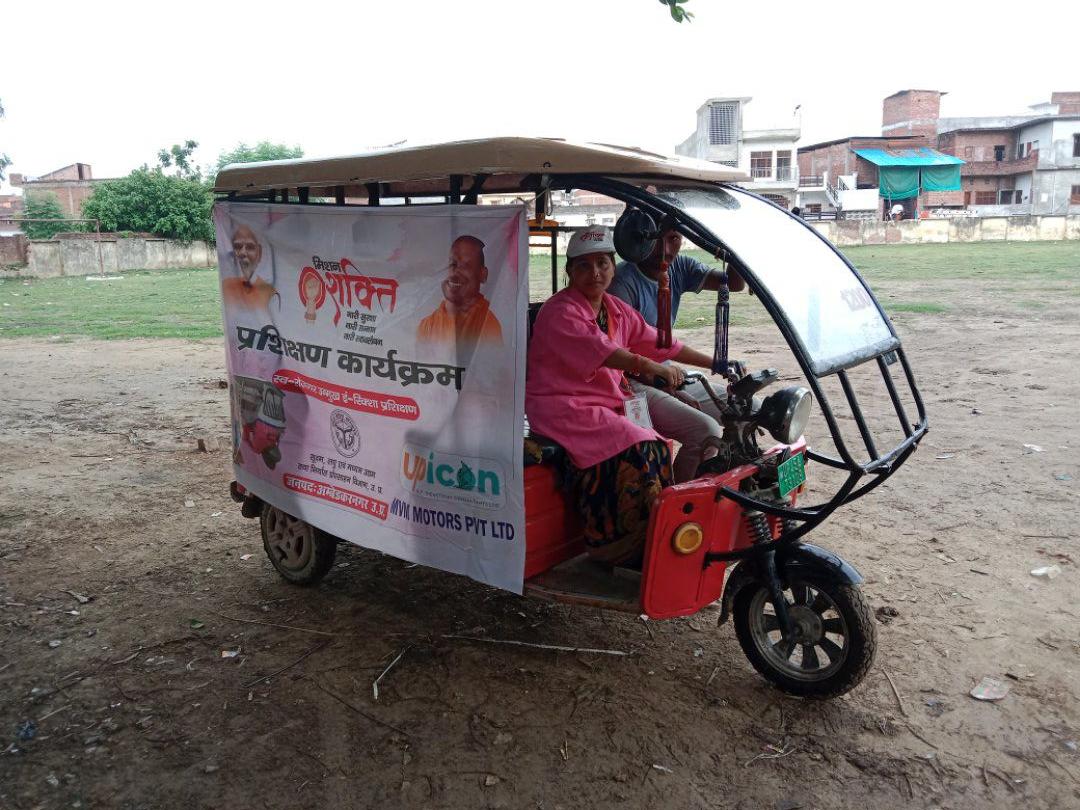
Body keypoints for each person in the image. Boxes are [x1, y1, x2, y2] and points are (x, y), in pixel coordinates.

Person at [526, 227, 717, 567]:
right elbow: (605, 351)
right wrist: (651, 368)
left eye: (602, 263)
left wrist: (715, 362)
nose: (595, 273)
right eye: (584, 266)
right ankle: (615, 545)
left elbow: (662, 342)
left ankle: (660, 532)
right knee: (639, 444)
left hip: (606, 401)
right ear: (570, 271)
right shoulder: (560, 311)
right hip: (563, 405)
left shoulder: (614, 308)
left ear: (613, 268)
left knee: (656, 441)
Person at [607, 223, 745, 482]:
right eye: (656, 240)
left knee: (747, 412)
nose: (665, 251)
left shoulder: (680, 267)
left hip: (667, 374)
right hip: (631, 381)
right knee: (706, 432)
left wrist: (731, 246)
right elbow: (618, 360)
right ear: (639, 238)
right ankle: (679, 497)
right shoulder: (622, 284)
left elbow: (734, 284)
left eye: (673, 238)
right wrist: (667, 385)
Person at [417, 234, 503, 351]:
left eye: (466, 266)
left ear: (483, 274)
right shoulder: (427, 326)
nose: (455, 272)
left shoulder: (487, 325)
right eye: (452, 264)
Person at [221, 224, 277, 313]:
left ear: (259, 253)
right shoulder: (225, 286)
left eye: (250, 247)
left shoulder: (270, 293)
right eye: (238, 246)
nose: (243, 252)